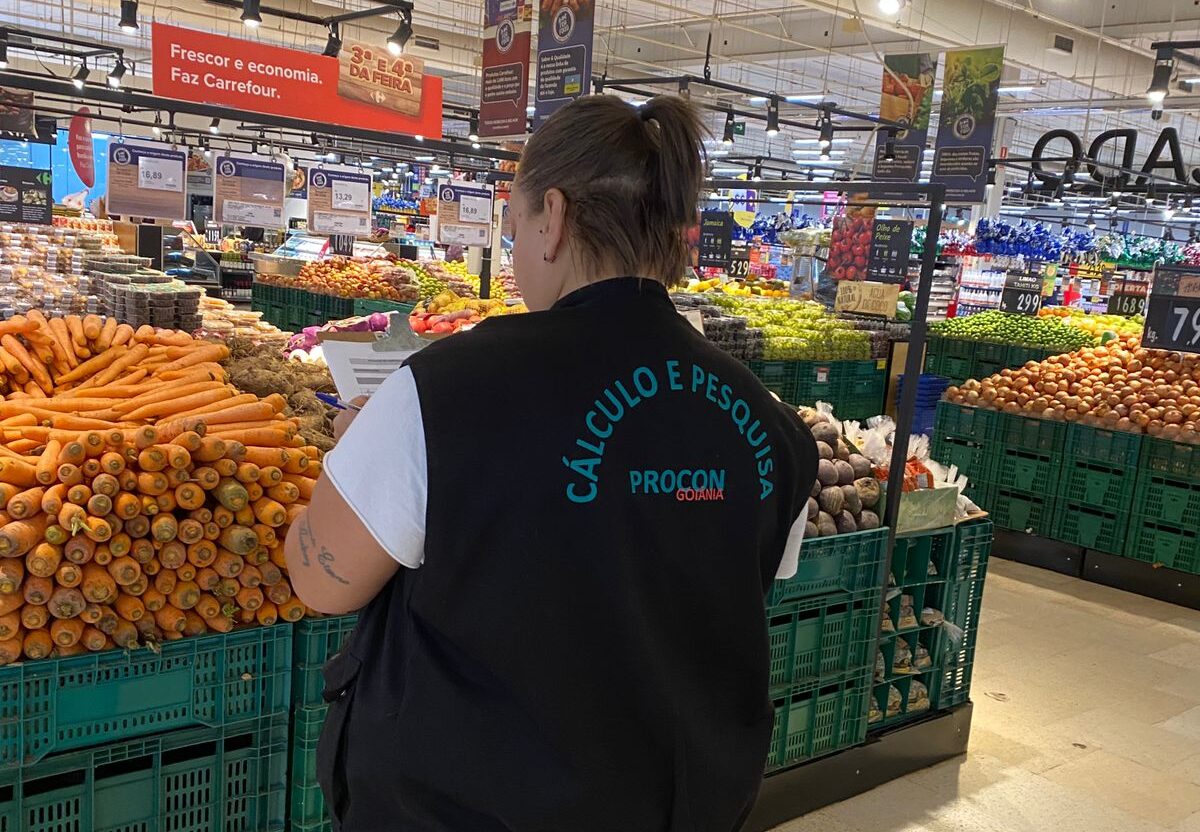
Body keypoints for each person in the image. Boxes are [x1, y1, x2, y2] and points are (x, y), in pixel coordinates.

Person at [284, 93, 818, 832]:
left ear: (553, 219)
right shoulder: (772, 428)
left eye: (513, 232)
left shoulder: (442, 392)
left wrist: (350, 452)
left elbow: (321, 582)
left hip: (466, 806)